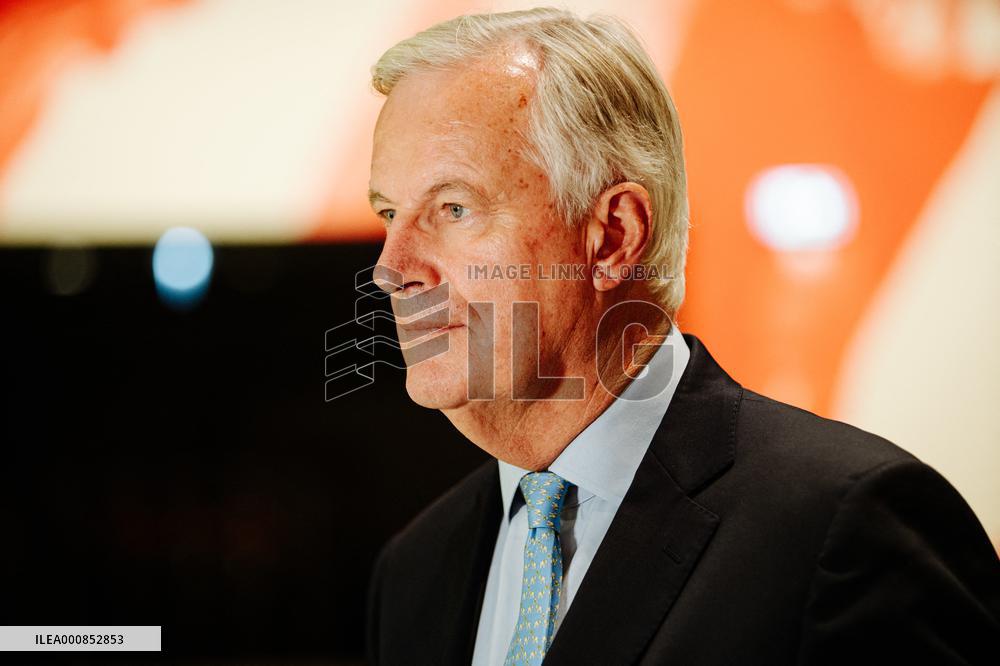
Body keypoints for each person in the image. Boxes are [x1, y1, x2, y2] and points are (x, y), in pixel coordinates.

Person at [363, 7, 999, 665]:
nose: (392, 267)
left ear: (614, 235)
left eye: (453, 208)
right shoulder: (416, 571)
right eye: (388, 212)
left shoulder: (847, 531)